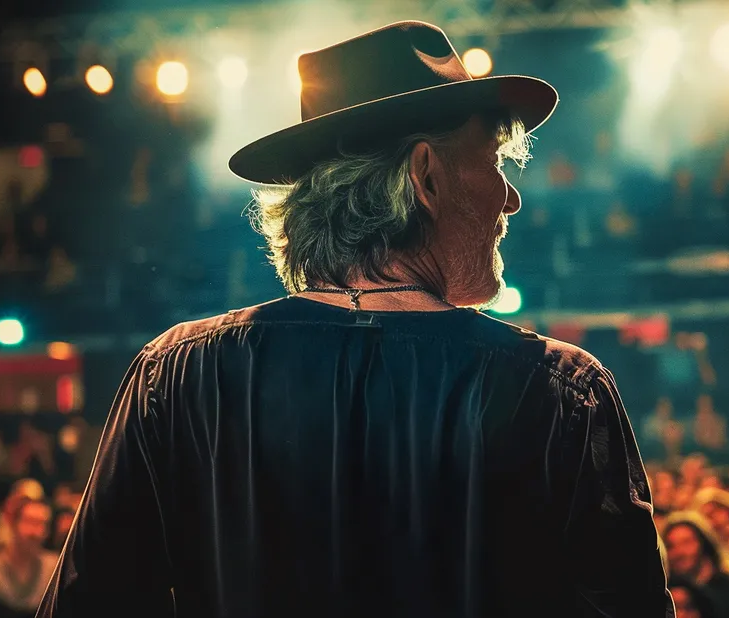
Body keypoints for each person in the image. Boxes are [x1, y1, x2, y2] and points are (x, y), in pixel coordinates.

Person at [36, 21, 671, 618]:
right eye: (495, 163)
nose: (511, 197)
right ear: (425, 176)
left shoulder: (177, 379)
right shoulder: (560, 394)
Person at [0, 496, 57, 617]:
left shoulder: (53, 568)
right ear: (12, 523)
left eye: (43, 524)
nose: (38, 532)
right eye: (31, 522)